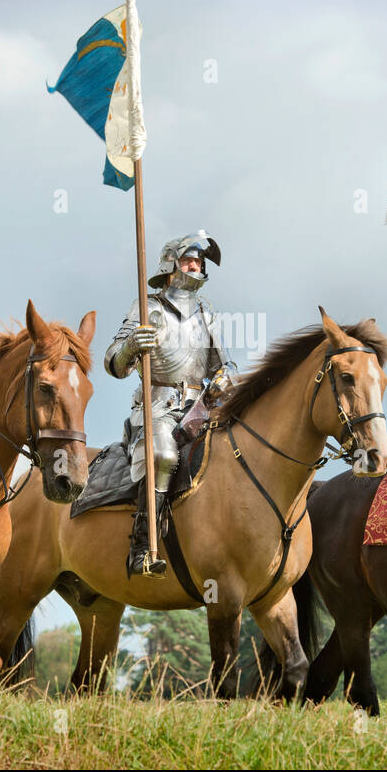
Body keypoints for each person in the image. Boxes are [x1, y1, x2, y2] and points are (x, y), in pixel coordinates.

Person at [104, 232, 237, 577]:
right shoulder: (148, 307)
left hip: (201, 407)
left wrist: (225, 377)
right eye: (189, 259)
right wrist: (132, 345)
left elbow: (223, 363)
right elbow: (114, 364)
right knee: (162, 456)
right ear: (171, 264)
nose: (196, 265)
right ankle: (142, 547)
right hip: (158, 406)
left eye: (199, 261)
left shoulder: (206, 312)